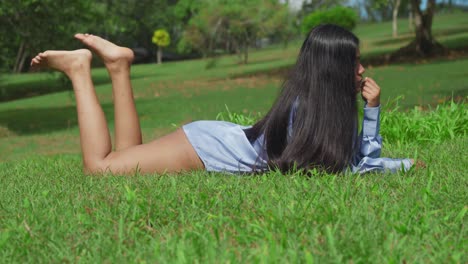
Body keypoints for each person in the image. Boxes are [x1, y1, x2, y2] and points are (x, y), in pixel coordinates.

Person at [30, 24, 414, 175]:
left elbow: (356, 161)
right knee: (101, 169)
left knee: (128, 158)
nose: (362, 70)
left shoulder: (326, 110)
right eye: (355, 63)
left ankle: (118, 65)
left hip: (219, 138)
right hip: (207, 149)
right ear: (334, 70)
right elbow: (354, 171)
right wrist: (403, 165)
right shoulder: (305, 111)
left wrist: (372, 111)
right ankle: (80, 71)